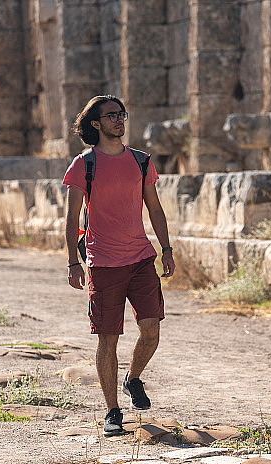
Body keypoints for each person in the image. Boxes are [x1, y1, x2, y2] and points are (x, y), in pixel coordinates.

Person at [64, 95, 175, 437]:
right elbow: (70, 218)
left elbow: (155, 209)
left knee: (152, 328)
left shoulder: (141, 161)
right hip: (103, 263)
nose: (119, 120)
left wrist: (166, 248)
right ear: (95, 124)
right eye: (111, 115)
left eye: (121, 114)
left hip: (141, 258)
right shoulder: (84, 164)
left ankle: (133, 378)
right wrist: (73, 261)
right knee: (107, 339)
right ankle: (112, 411)